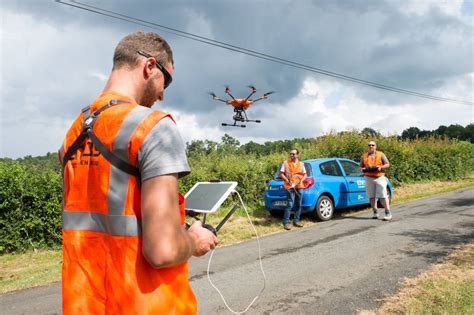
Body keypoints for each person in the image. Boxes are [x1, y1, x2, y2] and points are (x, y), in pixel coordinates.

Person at [59, 31, 218, 314]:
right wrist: (194, 239)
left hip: (85, 304)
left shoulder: (72, 135)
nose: (162, 94)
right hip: (145, 305)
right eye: (165, 80)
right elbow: (162, 251)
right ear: (149, 67)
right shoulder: (153, 128)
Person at [359, 140, 392, 220]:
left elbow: (387, 164)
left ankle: (388, 212)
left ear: (375, 146)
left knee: (383, 196)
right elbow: (360, 167)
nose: (371, 146)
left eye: (372, 145)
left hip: (379, 177)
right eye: (369, 145)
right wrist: (362, 169)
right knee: (371, 196)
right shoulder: (364, 156)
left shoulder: (381, 154)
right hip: (368, 177)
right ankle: (375, 212)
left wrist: (381, 167)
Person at [280, 148, 307, 230]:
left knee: (299, 204)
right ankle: (286, 223)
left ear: (297, 155)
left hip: (299, 186)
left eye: (293, 154)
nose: (291, 155)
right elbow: (281, 174)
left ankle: (296, 221)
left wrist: (301, 181)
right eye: (290, 154)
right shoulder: (285, 163)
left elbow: (305, 174)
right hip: (290, 186)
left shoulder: (301, 164)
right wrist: (287, 180)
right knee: (290, 204)